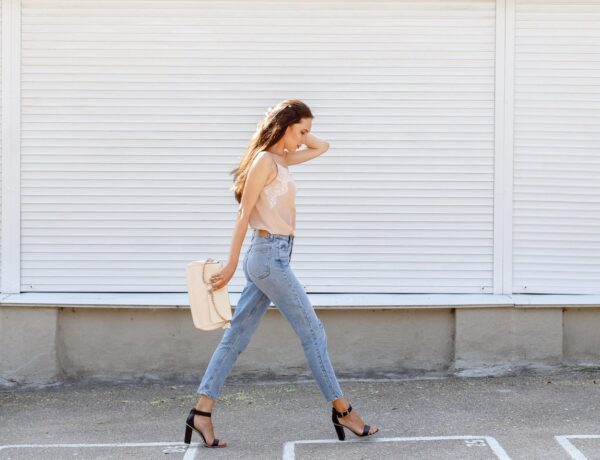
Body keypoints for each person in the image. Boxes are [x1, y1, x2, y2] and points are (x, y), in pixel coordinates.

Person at [183, 99, 379, 448]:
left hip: (273, 257)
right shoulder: (263, 161)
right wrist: (229, 265)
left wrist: (297, 131)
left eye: (306, 131)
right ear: (285, 126)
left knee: (237, 336)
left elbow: (324, 146)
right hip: (268, 257)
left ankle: (202, 412)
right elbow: (244, 214)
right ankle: (342, 410)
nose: (306, 138)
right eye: (300, 130)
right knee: (313, 333)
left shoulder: (279, 159)